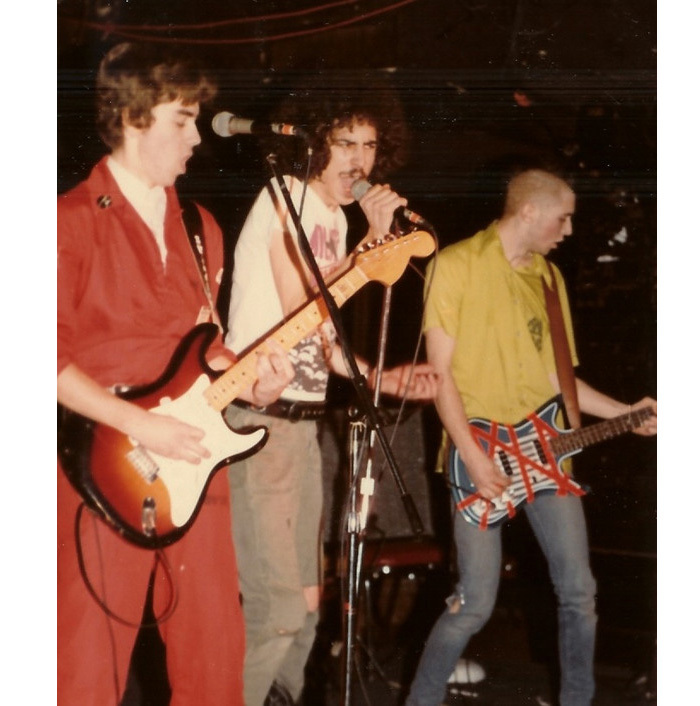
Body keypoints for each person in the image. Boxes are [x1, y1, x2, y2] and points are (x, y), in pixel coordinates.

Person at [57, 42, 294, 705]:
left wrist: (255, 382)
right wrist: (139, 424)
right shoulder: (67, 222)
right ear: (133, 118)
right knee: (89, 660)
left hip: (192, 459)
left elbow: (204, 348)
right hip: (101, 462)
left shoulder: (200, 227)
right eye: (182, 120)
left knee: (214, 648)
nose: (196, 137)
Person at [404, 168, 657, 706]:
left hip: (546, 454)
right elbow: (439, 376)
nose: (568, 230)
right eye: (563, 218)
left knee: (579, 592)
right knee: (474, 603)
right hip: (479, 452)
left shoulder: (548, 279)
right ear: (529, 212)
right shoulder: (455, 265)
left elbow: (557, 380)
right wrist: (473, 457)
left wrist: (627, 413)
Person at [222, 83, 438, 705]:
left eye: (369, 145)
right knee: (278, 611)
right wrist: (372, 245)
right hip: (260, 419)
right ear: (315, 142)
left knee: (309, 608)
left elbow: (324, 339)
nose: (359, 160)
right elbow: (300, 306)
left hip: (304, 423)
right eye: (346, 142)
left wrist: (382, 378)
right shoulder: (286, 197)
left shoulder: (336, 221)